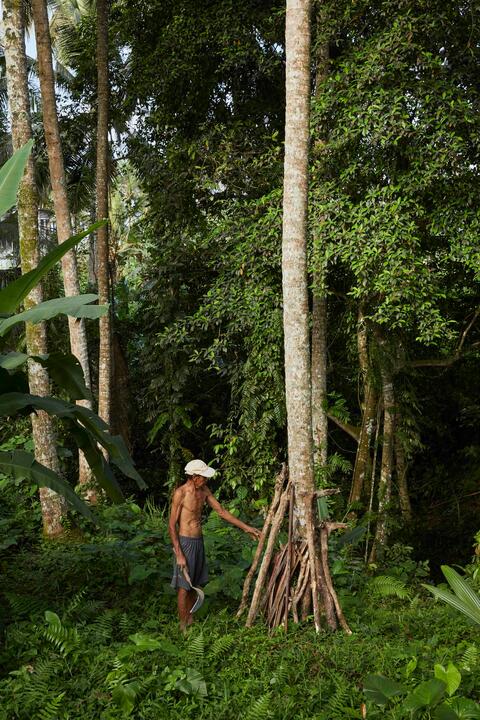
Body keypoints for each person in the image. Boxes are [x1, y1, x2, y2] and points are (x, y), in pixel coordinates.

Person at [169, 458, 261, 631]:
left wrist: (246, 528)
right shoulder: (181, 493)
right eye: (203, 477)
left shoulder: (203, 490)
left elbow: (222, 511)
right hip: (185, 542)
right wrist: (179, 554)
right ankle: (183, 627)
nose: (206, 479)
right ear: (194, 477)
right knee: (183, 587)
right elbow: (171, 524)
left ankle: (190, 620)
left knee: (194, 583)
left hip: (198, 542)